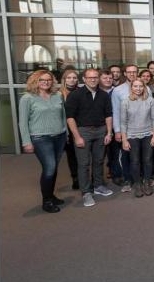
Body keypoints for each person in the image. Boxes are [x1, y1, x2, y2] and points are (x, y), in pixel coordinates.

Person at [19, 70, 67, 213]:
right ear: (35, 82)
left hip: (59, 136)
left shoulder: (57, 95)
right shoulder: (27, 98)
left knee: (53, 168)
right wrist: (26, 142)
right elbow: (22, 122)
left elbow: (63, 116)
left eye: (49, 80)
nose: (46, 82)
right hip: (40, 138)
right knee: (50, 168)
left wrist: (66, 134)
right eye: (42, 80)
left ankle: (51, 196)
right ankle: (46, 201)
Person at [64, 68, 114, 207]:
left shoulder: (103, 95)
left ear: (98, 79)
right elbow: (70, 118)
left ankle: (98, 186)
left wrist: (109, 133)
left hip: (101, 131)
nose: (93, 79)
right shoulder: (75, 95)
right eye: (90, 77)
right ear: (84, 79)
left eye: (95, 77)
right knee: (84, 164)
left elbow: (108, 115)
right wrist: (77, 136)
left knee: (99, 161)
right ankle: (86, 192)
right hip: (83, 132)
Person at [120, 79, 154, 198]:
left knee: (148, 160)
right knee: (135, 161)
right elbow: (123, 123)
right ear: (131, 88)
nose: (138, 88)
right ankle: (137, 183)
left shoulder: (150, 100)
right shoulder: (125, 102)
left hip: (148, 134)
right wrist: (124, 140)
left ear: (144, 87)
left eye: (140, 86)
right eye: (135, 86)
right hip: (132, 135)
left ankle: (147, 182)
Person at [111, 64, 140, 191]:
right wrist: (117, 131)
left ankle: (141, 178)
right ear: (125, 74)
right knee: (126, 155)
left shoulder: (144, 88)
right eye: (129, 72)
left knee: (140, 155)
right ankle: (128, 180)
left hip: (142, 128)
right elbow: (115, 112)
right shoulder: (118, 91)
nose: (132, 74)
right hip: (125, 129)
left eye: (134, 72)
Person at [99, 71, 123, 185]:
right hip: (99, 126)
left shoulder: (117, 91)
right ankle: (97, 180)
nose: (108, 80)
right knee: (99, 155)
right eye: (105, 78)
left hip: (115, 125)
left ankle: (116, 174)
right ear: (100, 79)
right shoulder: (96, 92)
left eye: (110, 78)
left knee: (115, 152)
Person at [59, 69, 80, 189]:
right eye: (69, 78)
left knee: (83, 154)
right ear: (64, 80)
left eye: (74, 78)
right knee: (71, 155)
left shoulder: (81, 92)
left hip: (80, 126)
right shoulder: (58, 94)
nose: (72, 80)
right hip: (66, 128)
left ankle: (84, 176)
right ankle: (75, 178)